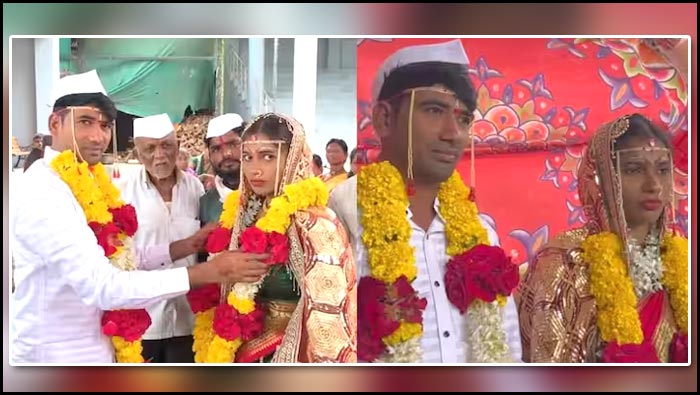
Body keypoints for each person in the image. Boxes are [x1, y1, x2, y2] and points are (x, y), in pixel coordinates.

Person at [10, 70, 270, 363]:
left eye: (105, 125)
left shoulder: (88, 184)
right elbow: (103, 284)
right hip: (56, 357)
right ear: (55, 123)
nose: (98, 136)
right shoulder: (43, 190)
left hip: (103, 349)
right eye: (85, 122)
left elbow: (125, 257)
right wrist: (209, 273)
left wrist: (189, 245)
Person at [353, 39, 521, 363]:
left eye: (464, 119)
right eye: (434, 110)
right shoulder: (346, 223)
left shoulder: (481, 234)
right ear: (385, 119)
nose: (453, 133)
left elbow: (510, 351)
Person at [517, 113, 688, 363]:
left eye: (662, 169)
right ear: (603, 178)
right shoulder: (565, 264)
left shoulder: (683, 262)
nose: (654, 184)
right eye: (634, 169)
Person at [189, 113, 356, 363]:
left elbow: (329, 316)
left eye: (267, 156)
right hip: (242, 348)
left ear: (292, 158)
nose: (255, 169)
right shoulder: (243, 215)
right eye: (247, 157)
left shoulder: (316, 223)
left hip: (293, 354)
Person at [118, 113, 206, 363]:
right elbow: (122, 258)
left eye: (166, 145)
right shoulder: (122, 194)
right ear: (137, 154)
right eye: (150, 149)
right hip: (146, 321)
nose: (160, 155)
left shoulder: (195, 189)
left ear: (177, 146)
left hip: (188, 318)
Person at [199, 113, 245, 226]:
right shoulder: (205, 204)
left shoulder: (270, 195)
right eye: (216, 149)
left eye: (234, 144)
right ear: (209, 154)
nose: (226, 154)